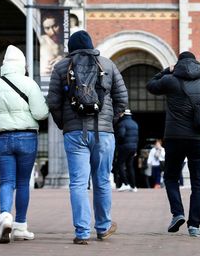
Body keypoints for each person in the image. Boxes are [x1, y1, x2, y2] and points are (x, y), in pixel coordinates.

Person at [46, 30, 128, 245]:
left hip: (74, 132)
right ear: (91, 45)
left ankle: (82, 233)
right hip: (104, 134)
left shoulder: (62, 67)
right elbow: (122, 99)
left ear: (71, 48)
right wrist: (110, 122)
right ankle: (103, 227)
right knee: (102, 181)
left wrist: (64, 124)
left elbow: (53, 103)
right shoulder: (107, 64)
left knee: (78, 183)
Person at [146, 51, 200, 237]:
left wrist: (166, 70)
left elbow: (150, 86)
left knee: (171, 178)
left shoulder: (170, 80)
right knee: (198, 182)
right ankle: (194, 225)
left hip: (175, 138)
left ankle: (178, 213)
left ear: (178, 64)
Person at [0, 45, 49, 244]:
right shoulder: (29, 84)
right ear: (23, 65)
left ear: (3, 65)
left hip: (2, 139)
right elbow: (41, 113)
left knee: (7, 182)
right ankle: (20, 227)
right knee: (23, 183)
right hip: (26, 138)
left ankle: (5, 216)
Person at [114, 108, 139, 192]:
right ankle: (133, 186)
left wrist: (118, 144)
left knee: (119, 164)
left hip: (124, 147)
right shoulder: (135, 124)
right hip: (133, 147)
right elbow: (137, 138)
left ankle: (125, 183)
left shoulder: (122, 123)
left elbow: (121, 135)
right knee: (130, 166)